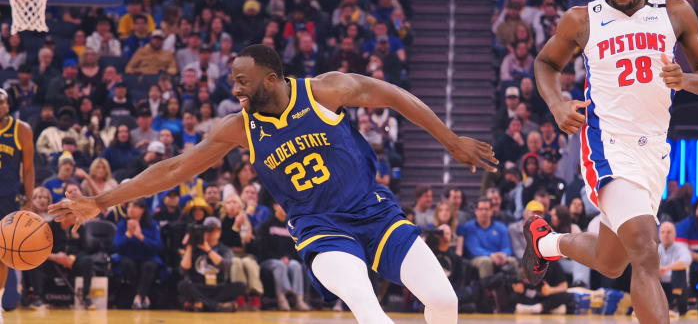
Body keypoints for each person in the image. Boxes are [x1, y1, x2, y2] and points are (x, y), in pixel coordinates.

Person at [51, 44, 498, 324]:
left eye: (242, 81)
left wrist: (452, 140)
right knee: (366, 305)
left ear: (271, 78)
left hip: (375, 215)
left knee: (444, 299)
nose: (235, 89)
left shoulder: (324, 91)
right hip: (322, 229)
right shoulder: (240, 127)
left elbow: (396, 96)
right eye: (232, 82)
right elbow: (174, 169)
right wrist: (101, 200)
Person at [526, 0, 698, 324]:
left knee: (611, 262)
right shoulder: (583, 18)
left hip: (653, 153)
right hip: (606, 145)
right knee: (646, 250)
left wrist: (686, 80)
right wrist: (557, 104)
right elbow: (546, 63)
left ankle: (546, 242)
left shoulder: (675, 12)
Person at [0, 89, 34, 318]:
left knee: (2, 252)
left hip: (7, 198)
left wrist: (30, 200)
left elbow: (29, 168)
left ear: (7, 104)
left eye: (1, 101)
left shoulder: (21, 129)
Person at [177, 216, 244, 312]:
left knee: (240, 286)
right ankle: (217, 306)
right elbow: (183, 270)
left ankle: (202, 304)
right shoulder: (194, 248)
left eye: (213, 230)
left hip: (218, 287)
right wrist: (189, 248)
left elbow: (225, 265)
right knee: (183, 285)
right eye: (207, 230)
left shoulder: (224, 249)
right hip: (200, 286)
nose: (210, 233)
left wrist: (208, 249)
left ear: (220, 232)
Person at [257, 201, 311, 311]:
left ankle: (298, 299)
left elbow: (296, 248)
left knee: (296, 265)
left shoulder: (291, 227)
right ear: (275, 206)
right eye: (281, 205)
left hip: (288, 260)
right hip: (269, 260)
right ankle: (282, 298)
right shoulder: (266, 225)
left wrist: (288, 258)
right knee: (279, 265)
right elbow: (262, 249)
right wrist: (280, 258)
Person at [113, 198, 163, 309]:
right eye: (129, 206)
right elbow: (116, 247)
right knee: (126, 263)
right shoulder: (122, 224)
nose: (130, 209)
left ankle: (139, 296)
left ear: (142, 210)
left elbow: (158, 246)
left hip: (148, 257)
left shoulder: (152, 224)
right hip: (128, 257)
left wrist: (141, 237)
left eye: (134, 206)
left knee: (149, 265)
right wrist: (128, 235)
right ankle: (142, 296)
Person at [460, 198, 518, 281]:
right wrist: (491, 255)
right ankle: (487, 290)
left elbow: (507, 247)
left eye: (486, 209)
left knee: (513, 261)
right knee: (486, 261)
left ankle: (517, 289)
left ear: (491, 211)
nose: (483, 212)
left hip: (498, 256)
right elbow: (473, 249)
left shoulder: (501, 227)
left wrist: (503, 255)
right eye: (481, 209)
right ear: (476, 211)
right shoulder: (469, 227)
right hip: (477, 258)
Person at [658, 221, 691, 314]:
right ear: (659, 234)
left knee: (679, 269)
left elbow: (686, 262)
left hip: (679, 287)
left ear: (674, 234)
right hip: (662, 287)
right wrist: (657, 270)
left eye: (669, 232)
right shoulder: (656, 249)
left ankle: (676, 304)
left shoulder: (681, 248)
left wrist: (667, 268)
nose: (665, 235)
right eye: (663, 232)